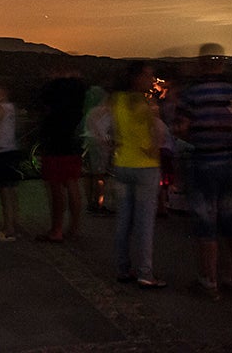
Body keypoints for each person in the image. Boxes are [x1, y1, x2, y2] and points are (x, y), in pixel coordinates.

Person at [175, 43, 232, 300]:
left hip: (203, 162)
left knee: (206, 222)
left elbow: (183, 127)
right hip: (230, 161)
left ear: (201, 63)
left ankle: (209, 282)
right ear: (223, 62)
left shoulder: (191, 94)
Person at [112, 61, 166, 288]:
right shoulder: (147, 104)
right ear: (137, 78)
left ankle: (123, 268)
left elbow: (114, 132)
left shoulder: (117, 101)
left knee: (123, 221)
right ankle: (145, 272)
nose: (151, 80)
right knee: (144, 223)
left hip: (123, 164)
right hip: (145, 167)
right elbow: (157, 134)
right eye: (148, 75)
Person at [36, 63, 86, 242]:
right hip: (73, 142)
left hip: (54, 142)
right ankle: (73, 227)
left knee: (56, 187)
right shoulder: (79, 89)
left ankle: (56, 229)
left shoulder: (52, 89)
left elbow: (43, 106)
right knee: (72, 183)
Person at [0, 81, 21, 241]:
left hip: (0, 150)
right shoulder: (12, 108)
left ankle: (9, 228)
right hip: (11, 149)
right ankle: (13, 222)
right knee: (11, 189)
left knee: (3, 190)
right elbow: (17, 128)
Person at [83, 86, 114, 216]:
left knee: (89, 175)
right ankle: (99, 204)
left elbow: (90, 128)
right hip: (99, 145)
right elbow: (107, 130)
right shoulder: (107, 111)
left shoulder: (90, 112)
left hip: (88, 143)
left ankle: (91, 203)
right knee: (99, 175)